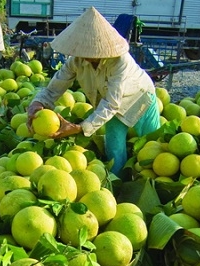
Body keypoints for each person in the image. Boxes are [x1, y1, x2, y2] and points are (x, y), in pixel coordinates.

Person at [26, 7, 159, 176]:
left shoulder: (120, 62)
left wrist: (80, 128)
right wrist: (38, 103)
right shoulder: (76, 61)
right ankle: (117, 184)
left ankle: (156, 183)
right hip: (110, 104)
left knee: (154, 145)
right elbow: (56, 85)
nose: (85, 55)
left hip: (140, 96)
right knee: (114, 149)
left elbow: (111, 103)